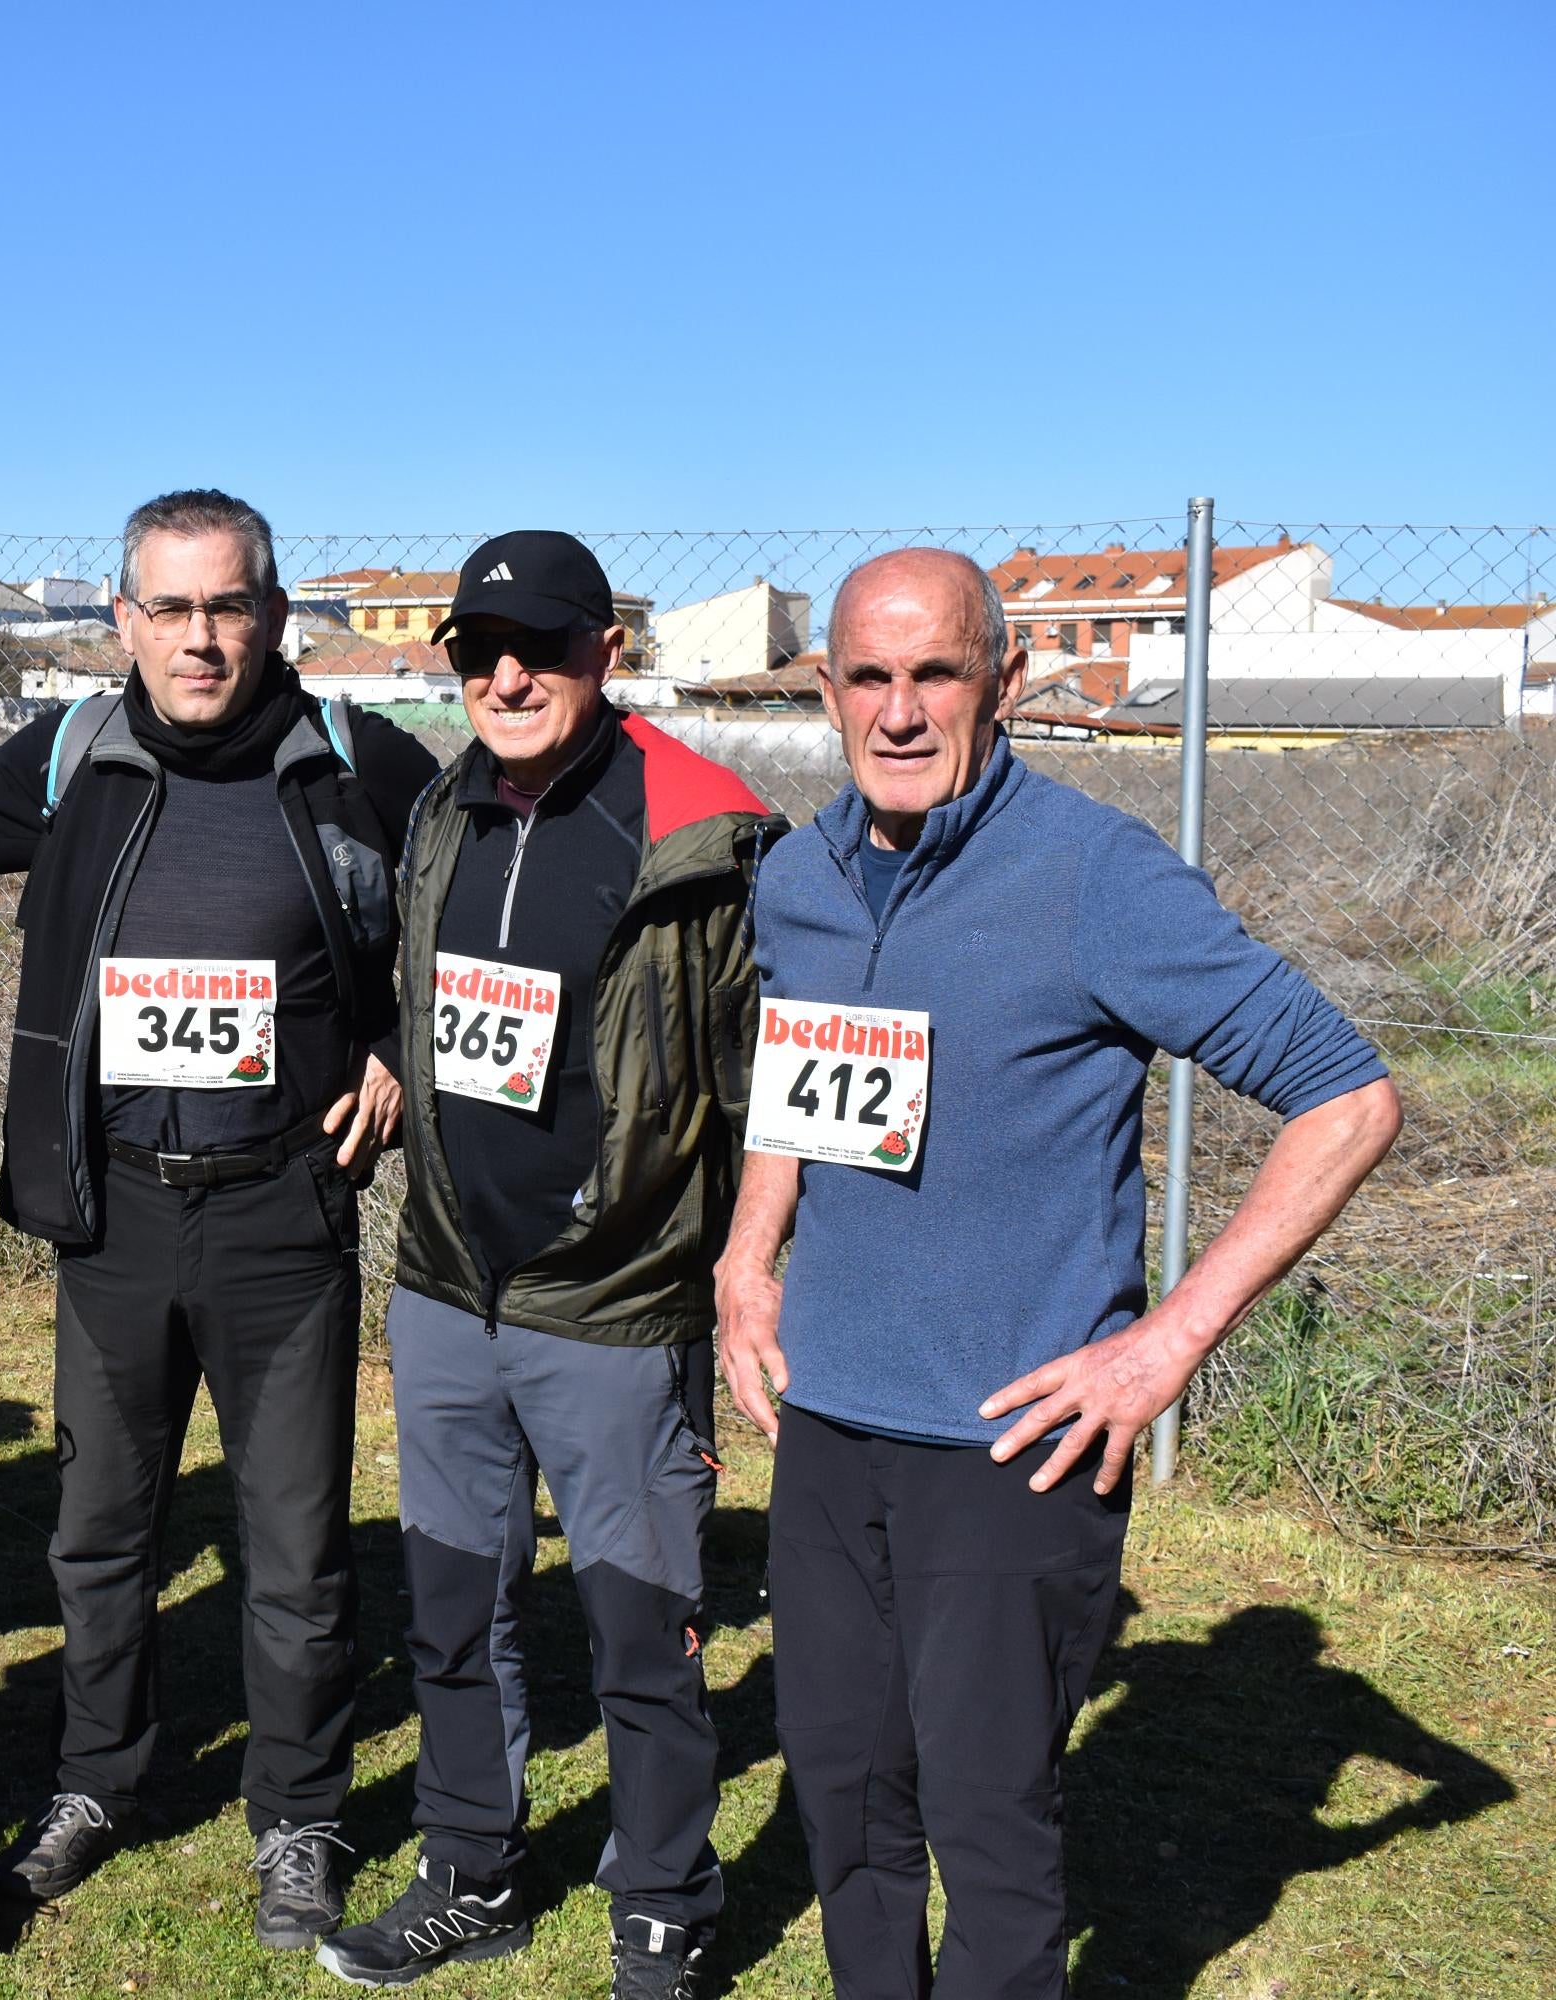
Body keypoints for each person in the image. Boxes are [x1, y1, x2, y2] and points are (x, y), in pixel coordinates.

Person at [712, 548, 1402, 1999]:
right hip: (831, 1425)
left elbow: (1348, 1099)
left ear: (1005, 683)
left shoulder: (1095, 879)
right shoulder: (799, 875)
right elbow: (800, 1064)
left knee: (989, 1833)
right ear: (827, 692)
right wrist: (747, 1254)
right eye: (871, 679)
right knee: (845, 1803)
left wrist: (1163, 1349)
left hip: (1011, 1453)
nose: (901, 713)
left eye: (938, 674)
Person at [0, 489, 441, 1948]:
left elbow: (479, 921)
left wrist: (401, 1053)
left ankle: (298, 1816)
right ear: (122, 622)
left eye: (227, 605)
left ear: (276, 615)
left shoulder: (360, 763)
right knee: (99, 1535)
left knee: (295, 1549)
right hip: (109, 1221)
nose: (199, 638)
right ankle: (98, 1779)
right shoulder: (73, 756)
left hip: (281, 1220)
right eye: (167, 609)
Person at [320, 533, 776, 1998]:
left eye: (542, 646)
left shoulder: (710, 831)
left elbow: (769, 1078)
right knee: (453, 1610)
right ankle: (474, 1871)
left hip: (619, 1304)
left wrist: (753, 1267)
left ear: (608, 653)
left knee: (642, 1634)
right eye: (475, 650)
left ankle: (665, 1903)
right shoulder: (445, 808)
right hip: (452, 1283)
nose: (506, 675)